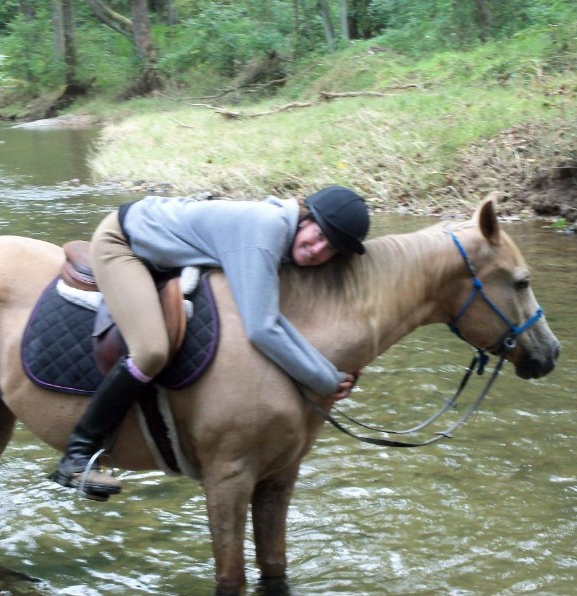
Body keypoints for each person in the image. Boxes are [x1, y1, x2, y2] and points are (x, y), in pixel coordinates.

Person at [49, 185, 370, 498]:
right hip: (125, 243)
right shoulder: (266, 228)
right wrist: (325, 379)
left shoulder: (284, 233)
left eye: (331, 250)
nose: (319, 251)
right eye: (320, 237)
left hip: (166, 242)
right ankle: (77, 455)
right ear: (306, 218)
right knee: (151, 351)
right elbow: (261, 328)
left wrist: (327, 370)